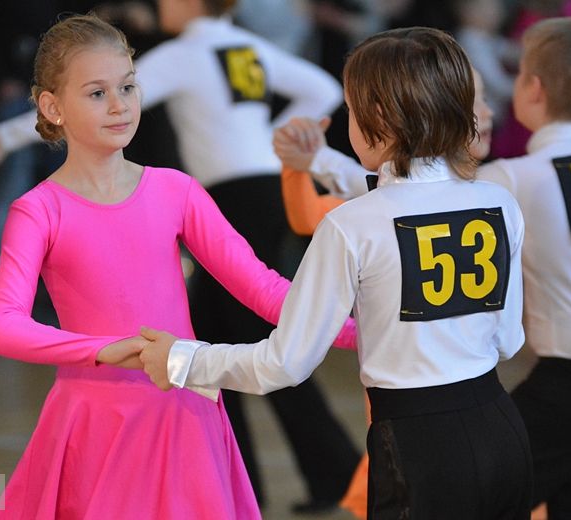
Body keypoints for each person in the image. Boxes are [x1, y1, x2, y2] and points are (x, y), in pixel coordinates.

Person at [0, 1, 361, 511]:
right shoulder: (38, 210)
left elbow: (261, 287)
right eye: (97, 93)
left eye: (128, 87)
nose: (120, 105)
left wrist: (364, 329)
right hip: (97, 422)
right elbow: (5, 327)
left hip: (185, 412)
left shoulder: (176, 190)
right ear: (52, 108)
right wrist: (103, 349)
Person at [140, 26, 533, 518]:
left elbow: (284, 364)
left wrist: (183, 360)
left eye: (350, 111)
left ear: (380, 119)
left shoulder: (350, 224)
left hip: (416, 446)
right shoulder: (499, 203)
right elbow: (509, 341)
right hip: (501, 427)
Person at [272, 67, 497, 519]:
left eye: (484, 97)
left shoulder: (500, 191)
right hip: (413, 413)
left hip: (443, 412)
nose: (486, 112)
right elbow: (317, 212)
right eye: (473, 99)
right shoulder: (387, 204)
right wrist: (301, 167)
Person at [474, 17, 571, 519]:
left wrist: (326, 169)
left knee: (476, 494)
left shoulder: (514, 176)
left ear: (534, 87)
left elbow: (420, 198)